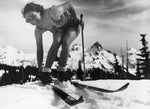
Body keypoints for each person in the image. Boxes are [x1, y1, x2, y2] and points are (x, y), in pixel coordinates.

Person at [22, 2, 80, 82]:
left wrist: (76, 19)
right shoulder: (38, 30)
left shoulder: (52, 13)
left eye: (33, 16)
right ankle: (46, 72)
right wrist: (40, 70)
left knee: (65, 42)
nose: (32, 21)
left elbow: (69, 5)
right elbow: (39, 49)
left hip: (72, 24)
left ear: (39, 11)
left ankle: (61, 72)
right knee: (56, 42)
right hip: (59, 29)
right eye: (28, 20)